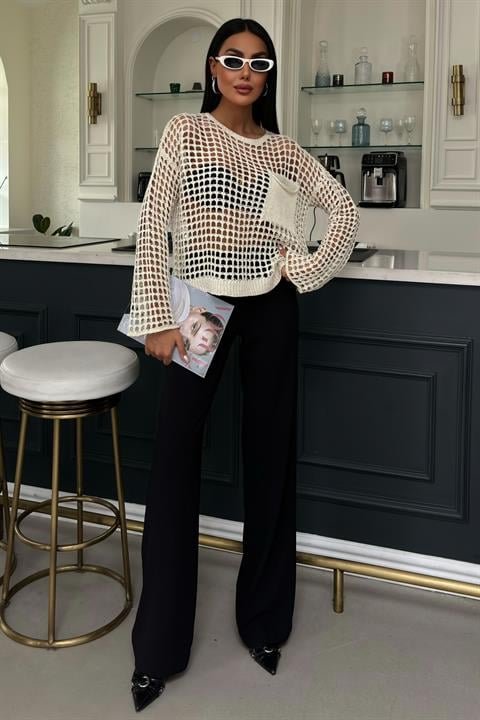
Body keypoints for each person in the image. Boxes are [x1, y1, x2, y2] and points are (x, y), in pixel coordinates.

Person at [127, 17, 359, 713]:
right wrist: (157, 316)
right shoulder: (185, 132)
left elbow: (343, 211)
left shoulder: (283, 150)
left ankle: (264, 624)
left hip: (270, 310)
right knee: (175, 461)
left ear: (269, 76)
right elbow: (153, 223)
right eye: (233, 59)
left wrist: (304, 270)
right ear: (212, 67)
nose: (245, 72)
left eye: (259, 62)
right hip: (199, 306)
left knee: (270, 458)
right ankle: (158, 650)